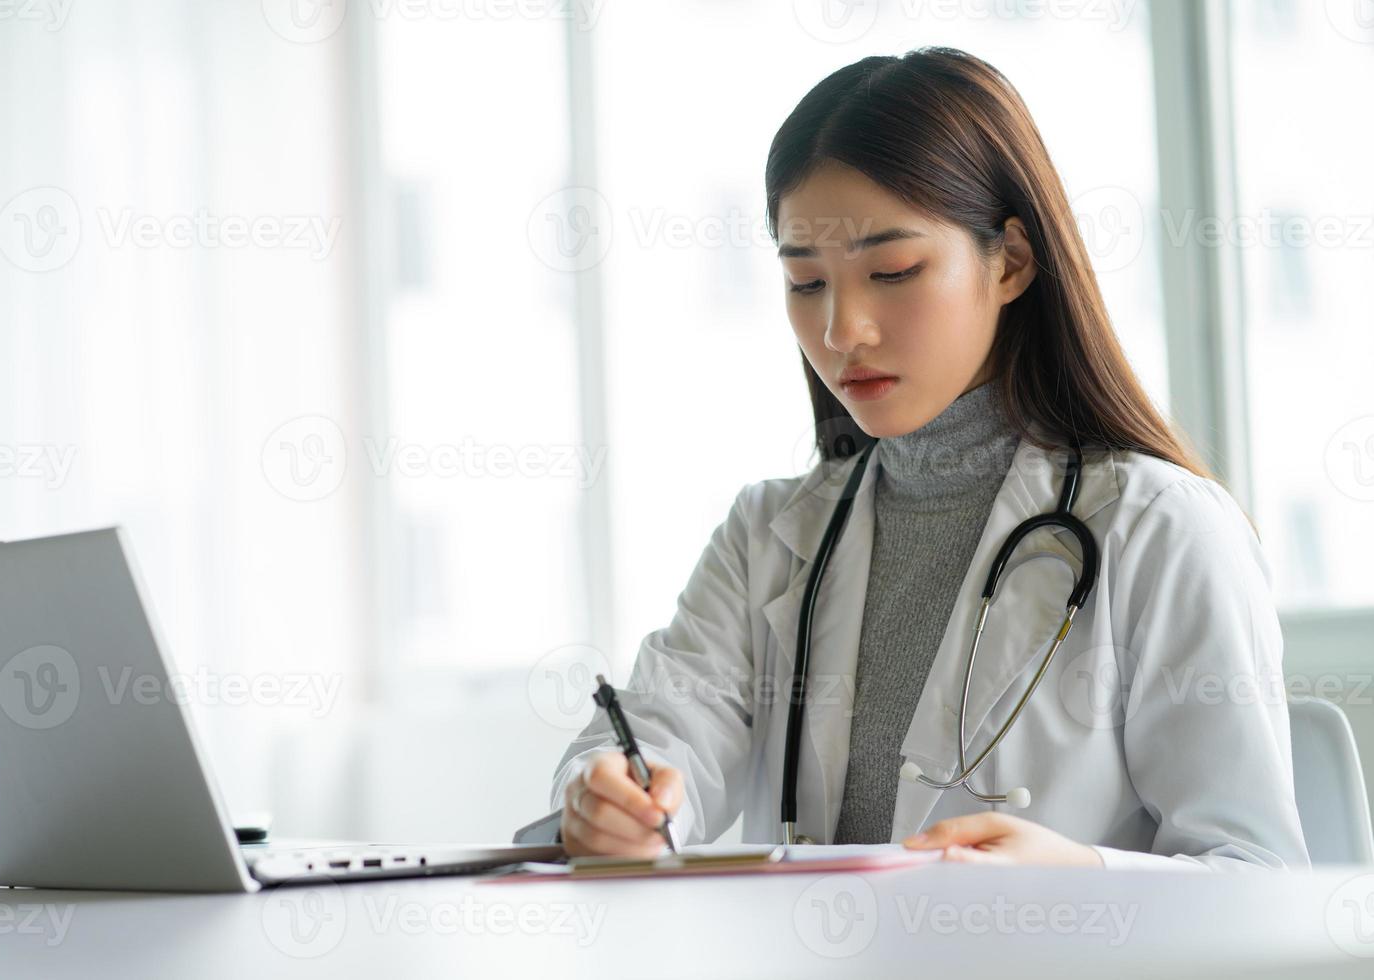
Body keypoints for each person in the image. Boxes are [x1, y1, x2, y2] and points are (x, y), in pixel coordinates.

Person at [550, 48, 1309, 870]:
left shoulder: (1163, 527)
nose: (842, 332)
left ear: (1012, 261)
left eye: (893, 271)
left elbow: (1256, 875)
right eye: (807, 283)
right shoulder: (766, 533)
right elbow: (664, 738)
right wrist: (612, 798)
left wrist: (1087, 882)